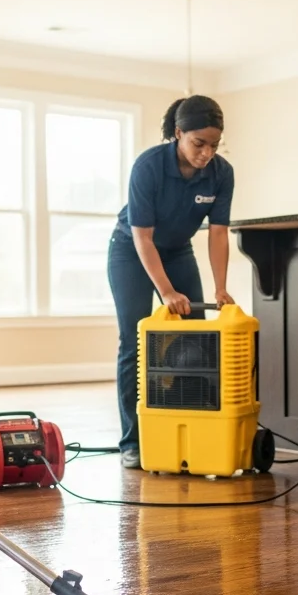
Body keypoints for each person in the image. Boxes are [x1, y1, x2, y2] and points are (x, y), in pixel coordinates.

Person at [107, 95, 235, 470]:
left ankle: (190, 427)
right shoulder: (148, 167)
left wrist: (221, 287)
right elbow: (143, 238)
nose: (207, 153)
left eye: (214, 144)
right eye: (199, 143)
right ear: (178, 133)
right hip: (131, 251)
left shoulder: (221, 173)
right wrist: (166, 292)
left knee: (196, 338)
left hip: (178, 251)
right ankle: (133, 441)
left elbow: (218, 234)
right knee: (135, 339)